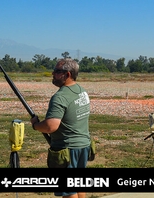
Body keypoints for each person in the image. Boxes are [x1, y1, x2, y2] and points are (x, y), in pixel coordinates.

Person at [31, 58, 91, 198]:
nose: (53, 73)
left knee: (68, 191)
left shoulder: (60, 97)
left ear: (68, 74)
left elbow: (51, 126)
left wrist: (35, 125)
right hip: (83, 146)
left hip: (67, 150)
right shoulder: (82, 91)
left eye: (58, 71)